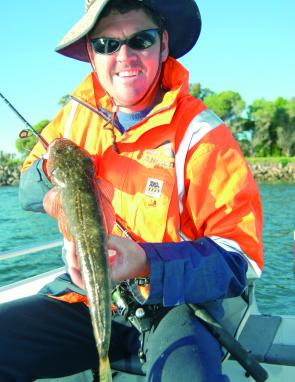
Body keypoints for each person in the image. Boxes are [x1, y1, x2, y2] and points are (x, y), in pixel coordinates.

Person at [0, 0, 264, 381]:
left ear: (164, 44)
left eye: (140, 39)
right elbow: (28, 190)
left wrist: (144, 261)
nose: (124, 56)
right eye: (107, 44)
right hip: (87, 295)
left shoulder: (202, 135)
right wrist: (56, 186)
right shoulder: (75, 114)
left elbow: (240, 259)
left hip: (177, 307)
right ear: (91, 52)